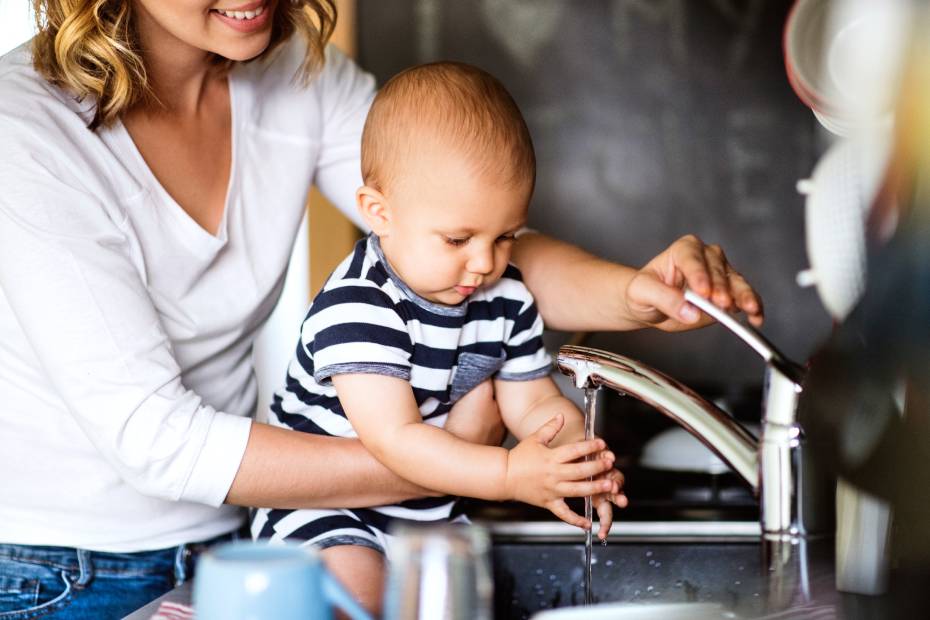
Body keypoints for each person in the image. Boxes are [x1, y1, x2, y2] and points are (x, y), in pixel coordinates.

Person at [0, 1, 762, 617]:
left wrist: (638, 295)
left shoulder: (294, 74)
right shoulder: (26, 133)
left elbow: (476, 247)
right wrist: (478, 462)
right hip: (66, 572)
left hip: (237, 541)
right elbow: (159, 442)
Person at [250, 61, 627, 613]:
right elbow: (395, 438)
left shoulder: (505, 294)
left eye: (504, 236)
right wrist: (506, 473)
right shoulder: (359, 304)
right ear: (380, 213)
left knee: (456, 598)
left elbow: (533, 399)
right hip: (329, 509)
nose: (483, 262)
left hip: (433, 511)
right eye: (457, 239)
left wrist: (571, 456)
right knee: (359, 590)